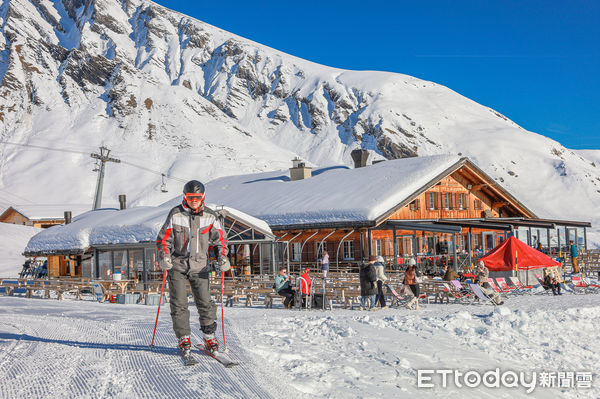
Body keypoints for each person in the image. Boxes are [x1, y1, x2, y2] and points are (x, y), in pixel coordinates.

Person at [156, 180, 230, 359]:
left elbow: (220, 240)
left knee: (205, 302)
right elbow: (163, 240)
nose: (194, 200)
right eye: (191, 197)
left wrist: (223, 258)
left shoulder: (210, 216)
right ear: (184, 197)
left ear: (203, 197)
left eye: (197, 197)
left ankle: (209, 336)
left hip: (200, 266)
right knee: (179, 303)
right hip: (178, 265)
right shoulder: (175, 214)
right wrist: (164, 256)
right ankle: (183, 337)